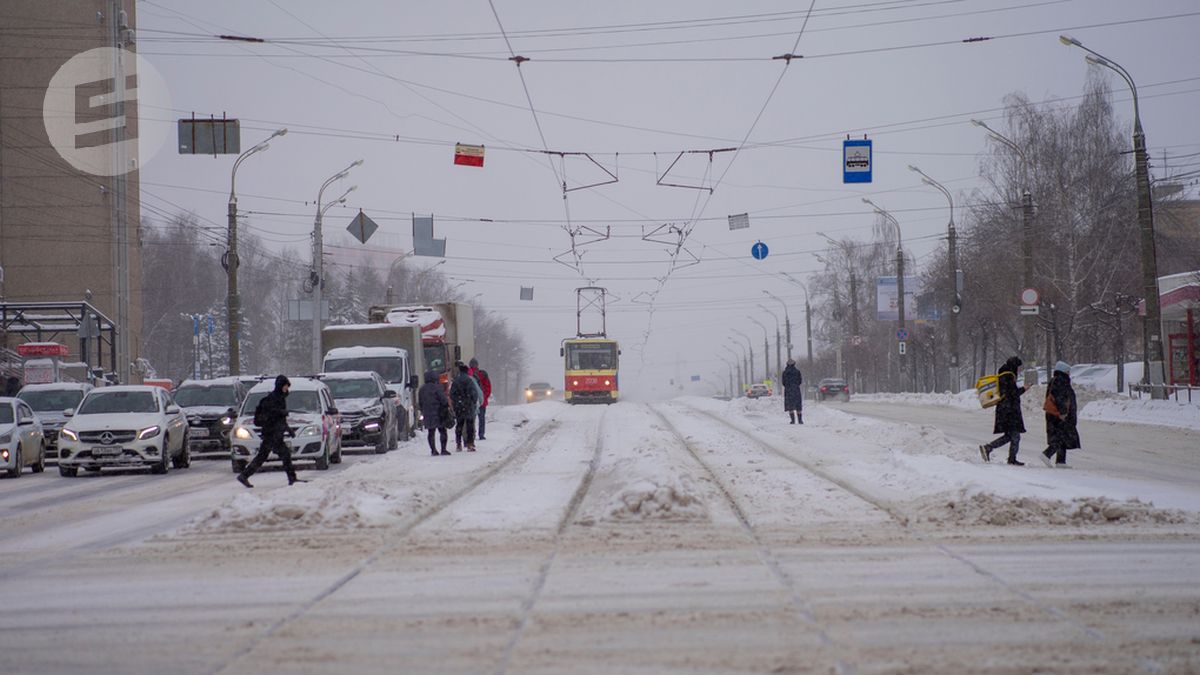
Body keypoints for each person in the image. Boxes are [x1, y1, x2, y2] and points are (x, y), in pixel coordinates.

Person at [238, 375, 304, 488]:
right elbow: (271, 415)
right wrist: (281, 412)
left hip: (274, 433)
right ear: (280, 386)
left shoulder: (280, 398)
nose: (287, 389)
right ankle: (292, 479)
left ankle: (244, 475)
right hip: (272, 433)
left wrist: (288, 429)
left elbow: (280, 419)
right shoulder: (273, 398)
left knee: (263, 456)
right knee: (284, 455)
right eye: (285, 386)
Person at [979, 356, 1028, 466]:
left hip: (1005, 409)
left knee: (1010, 436)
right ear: (1014, 366)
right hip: (1009, 411)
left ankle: (990, 448)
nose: (1019, 370)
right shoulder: (1008, 376)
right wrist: (1024, 389)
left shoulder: (1003, 375)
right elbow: (1013, 394)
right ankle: (1007, 456)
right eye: (1018, 367)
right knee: (1015, 435)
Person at [1041, 361, 1080, 468]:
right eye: (1068, 371)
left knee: (1062, 437)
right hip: (1059, 415)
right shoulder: (1061, 381)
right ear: (1063, 372)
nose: (1069, 374)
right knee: (1061, 437)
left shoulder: (1055, 380)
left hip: (1055, 414)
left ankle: (1061, 461)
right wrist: (1063, 412)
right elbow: (1060, 398)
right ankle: (1047, 454)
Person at [418, 369, 452, 456]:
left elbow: (420, 402)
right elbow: (443, 400)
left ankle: (433, 450)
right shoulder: (437, 387)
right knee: (442, 431)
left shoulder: (422, 389)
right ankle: (443, 449)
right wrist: (446, 407)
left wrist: (423, 410)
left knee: (431, 432)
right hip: (439, 413)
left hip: (427, 413)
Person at [450, 361, 480, 451]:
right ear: (467, 371)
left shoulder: (456, 381)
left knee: (459, 425)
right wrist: (473, 402)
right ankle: (470, 444)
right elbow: (474, 393)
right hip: (468, 406)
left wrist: (456, 402)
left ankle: (458, 444)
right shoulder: (469, 380)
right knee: (469, 426)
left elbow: (452, 394)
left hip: (459, 407)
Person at [468, 357, 492, 440]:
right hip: (482, 400)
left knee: (471, 418)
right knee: (481, 418)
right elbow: (488, 387)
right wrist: (485, 396)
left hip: (471, 401)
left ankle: (472, 433)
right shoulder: (483, 374)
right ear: (477, 365)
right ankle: (481, 434)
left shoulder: (468, 374)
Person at [781, 358, 804, 424]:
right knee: (798, 405)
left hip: (788, 390)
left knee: (790, 405)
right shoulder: (797, 371)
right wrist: (795, 385)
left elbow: (783, 382)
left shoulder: (785, 372)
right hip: (796, 390)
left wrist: (788, 386)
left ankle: (793, 420)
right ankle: (800, 420)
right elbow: (800, 381)